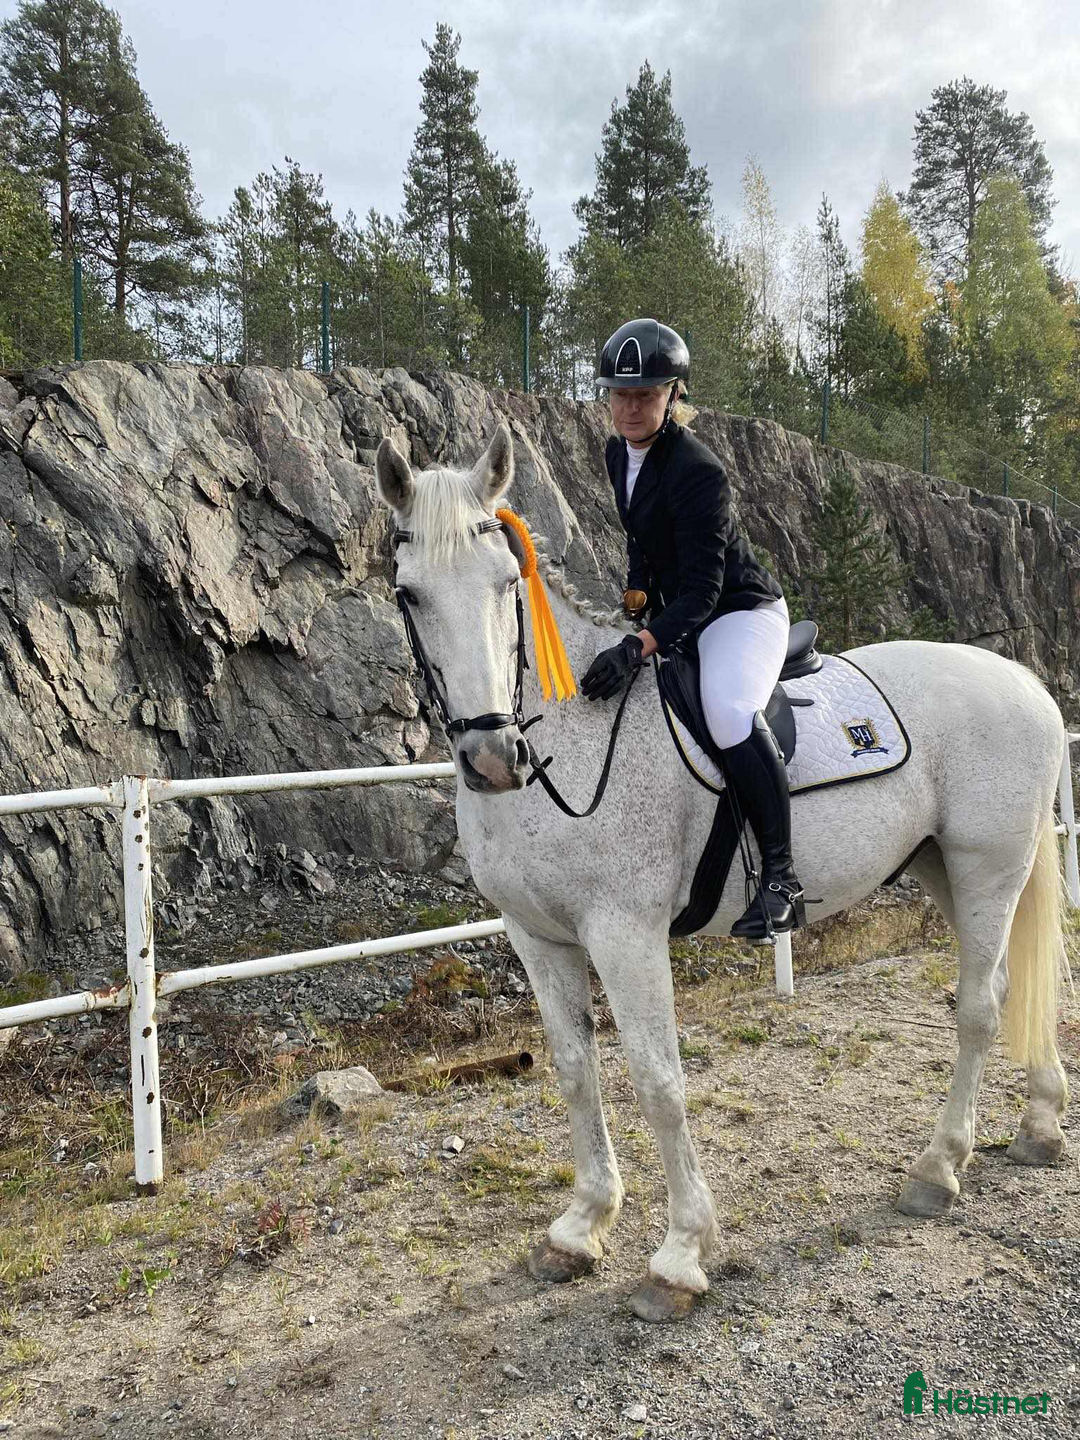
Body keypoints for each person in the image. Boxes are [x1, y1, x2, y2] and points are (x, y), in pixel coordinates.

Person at [579, 317, 804, 940]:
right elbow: (641, 536)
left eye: (645, 395)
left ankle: (782, 879)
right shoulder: (617, 453)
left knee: (729, 714)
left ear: (673, 394)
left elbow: (705, 590)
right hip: (681, 613)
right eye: (619, 394)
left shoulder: (699, 469)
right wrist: (635, 595)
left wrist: (640, 643)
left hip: (739, 612)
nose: (629, 407)